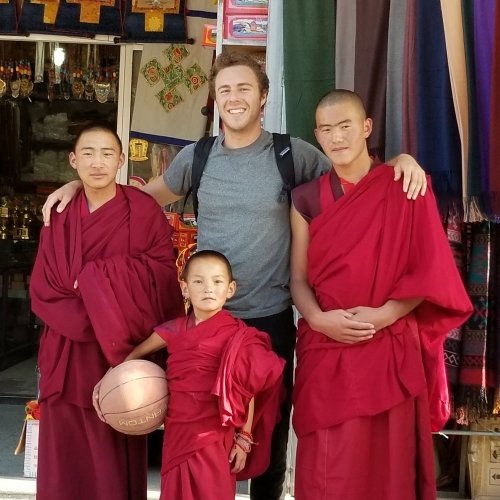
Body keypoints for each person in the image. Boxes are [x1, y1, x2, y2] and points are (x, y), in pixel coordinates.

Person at [42, 53, 428, 500]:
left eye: (244, 88)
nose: (234, 98)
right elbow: (137, 203)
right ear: (215, 98)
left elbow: (354, 176)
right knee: (202, 438)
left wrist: (401, 160)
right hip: (207, 320)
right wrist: (77, 184)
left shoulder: (292, 154)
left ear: (263, 98)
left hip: (270, 317)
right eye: (224, 90)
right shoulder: (198, 157)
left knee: (267, 431)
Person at [289, 90, 473, 500]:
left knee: (387, 468)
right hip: (326, 346)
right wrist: (318, 320)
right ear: (316, 136)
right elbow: (297, 279)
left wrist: (387, 314)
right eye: (327, 130)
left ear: (367, 127)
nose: (337, 137)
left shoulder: (406, 185)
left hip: (387, 344)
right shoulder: (304, 198)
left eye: (346, 126)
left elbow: (426, 271)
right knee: (326, 467)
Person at [30, 123, 184, 500]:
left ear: (120, 160)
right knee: (64, 452)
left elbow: (161, 275)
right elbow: (44, 287)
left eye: (106, 154)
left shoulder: (143, 210)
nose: (97, 162)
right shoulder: (60, 212)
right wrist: (96, 309)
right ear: (72, 161)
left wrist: (96, 279)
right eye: (87, 153)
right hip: (67, 350)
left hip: (119, 351)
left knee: (111, 446)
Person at [96, 250, 284, 500]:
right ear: (184, 288)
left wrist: (245, 437)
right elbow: (134, 355)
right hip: (179, 433)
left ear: (230, 289)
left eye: (217, 281)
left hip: (217, 436)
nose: (208, 288)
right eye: (198, 281)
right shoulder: (174, 330)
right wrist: (107, 382)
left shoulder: (239, 336)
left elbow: (247, 389)